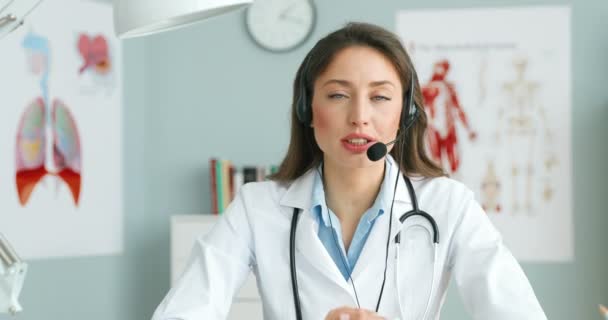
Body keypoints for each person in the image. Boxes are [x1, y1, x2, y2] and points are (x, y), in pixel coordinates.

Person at [151, 22, 546, 320]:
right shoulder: (257, 207)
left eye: (379, 97)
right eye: (338, 95)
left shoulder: (447, 204)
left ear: (404, 114)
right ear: (308, 109)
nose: (359, 118)